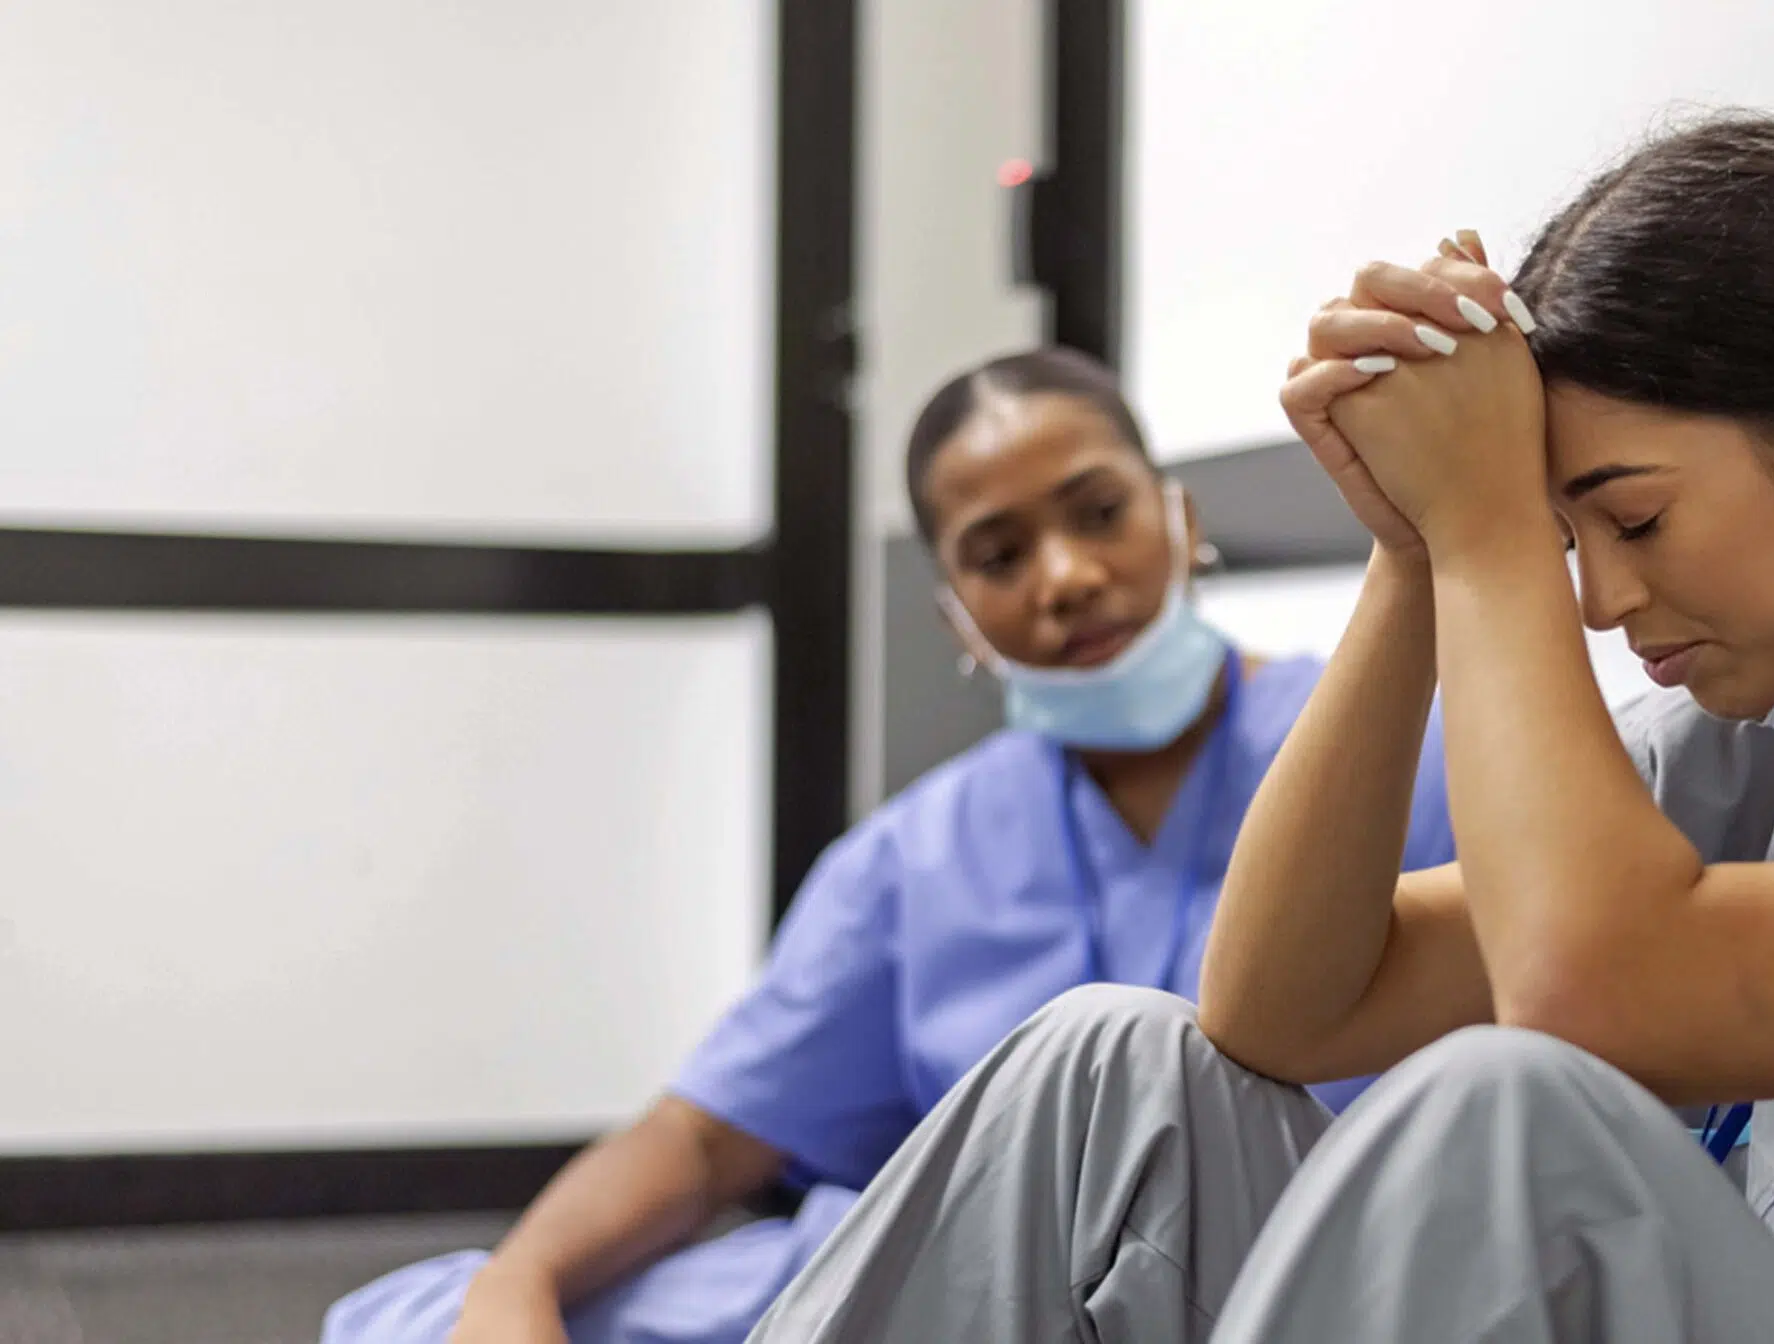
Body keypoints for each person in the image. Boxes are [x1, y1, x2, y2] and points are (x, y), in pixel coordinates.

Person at [743, 115, 1774, 1343]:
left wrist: (1484, 539)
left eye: (1631, 518)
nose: (1597, 599)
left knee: (1508, 1117)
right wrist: (1415, 548)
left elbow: (1588, 997)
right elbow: (1275, 1006)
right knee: (1115, 1058)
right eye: (1559, 538)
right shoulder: (1751, 758)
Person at [320, 347, 1458, 1344]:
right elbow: (710, 1138)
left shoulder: (1404, 748)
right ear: (955, 615)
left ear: (1181, 520)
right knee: (433, 1314)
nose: (1064, 577)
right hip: (998, 1293)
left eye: (1097, 511)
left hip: (1301, 1281)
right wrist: (521, 1283)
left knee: (1111, 1058)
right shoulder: (915, 858)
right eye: (999, 555)